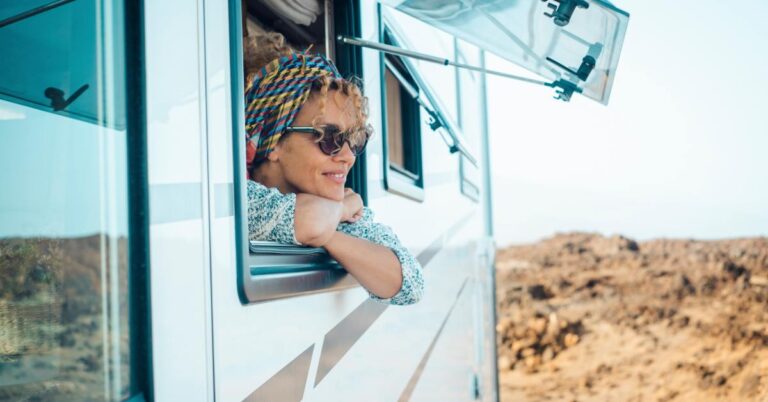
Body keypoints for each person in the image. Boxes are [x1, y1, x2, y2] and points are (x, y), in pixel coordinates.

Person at [244, 33, 424, 305]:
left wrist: (330, 235)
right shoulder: (240, 198)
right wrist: (338, 213)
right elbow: (312, 221)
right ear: (273, 140)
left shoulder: (328, 207)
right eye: (329, 139)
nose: (348, 156)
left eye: (355, 140)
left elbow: (409, 282)